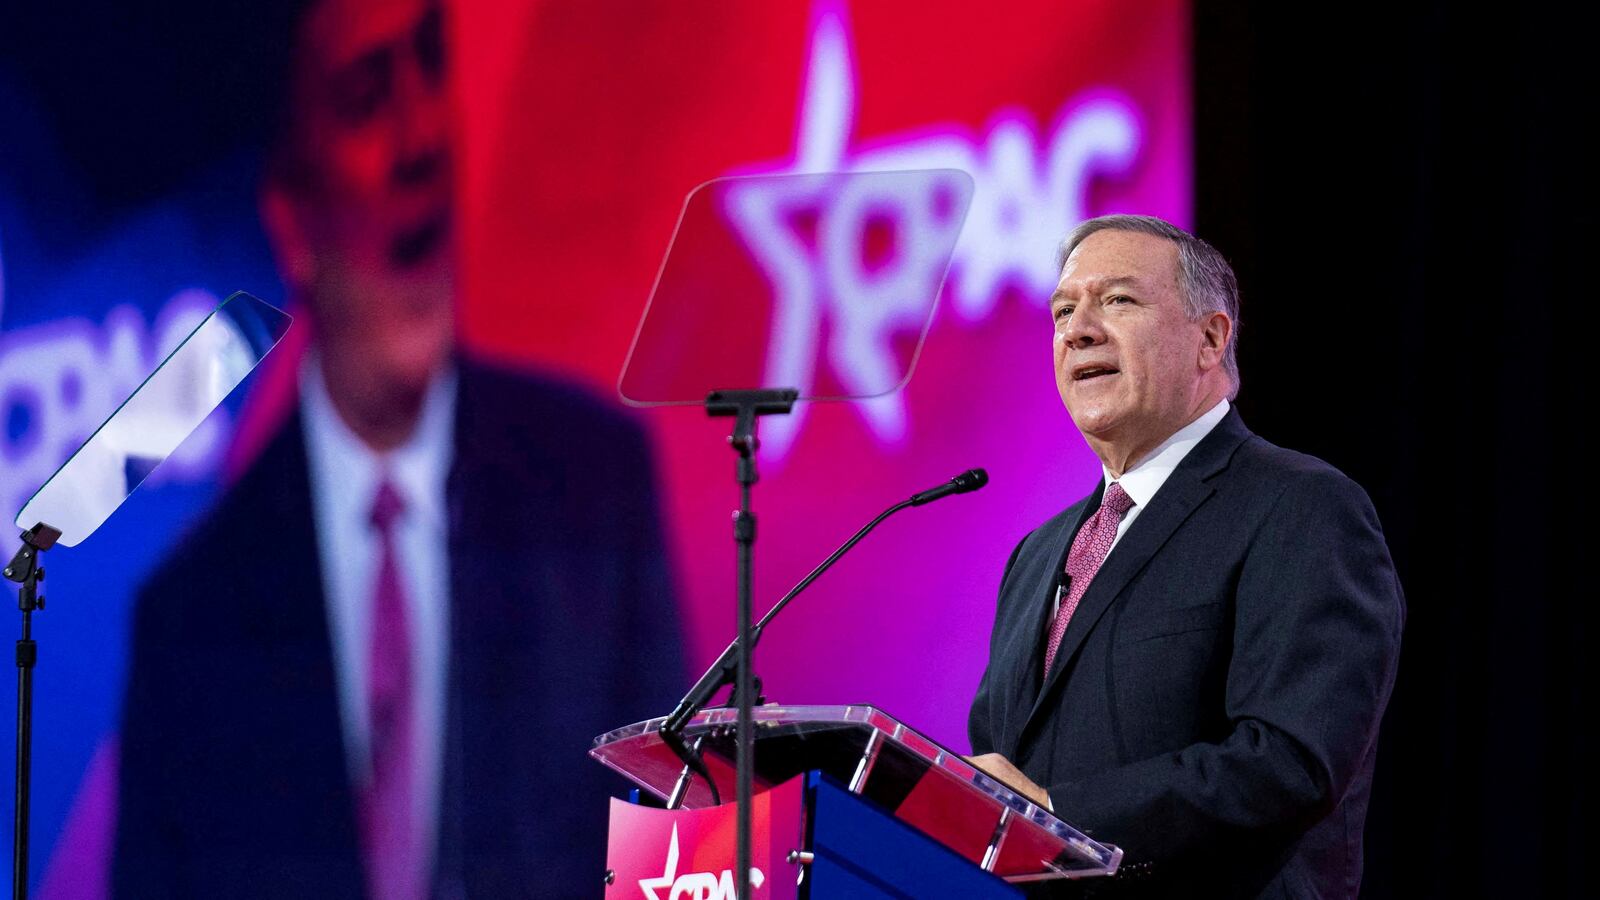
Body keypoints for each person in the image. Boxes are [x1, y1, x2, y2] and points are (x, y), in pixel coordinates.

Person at [111, 1, 685, 897]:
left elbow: (678, 855)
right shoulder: (190, 626)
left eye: (430, 66)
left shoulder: (596, 499)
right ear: (292, 220)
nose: (424, 139)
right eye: (366, 96)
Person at [967, 215, 1403, 898]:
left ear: (1210, 339)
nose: (1078, 330)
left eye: (1117, 300)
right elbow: (999, 770)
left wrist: (1057, 815)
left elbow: (1290, 762)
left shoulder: (1301, 507)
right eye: (1063, 311)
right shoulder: (1038, 555)